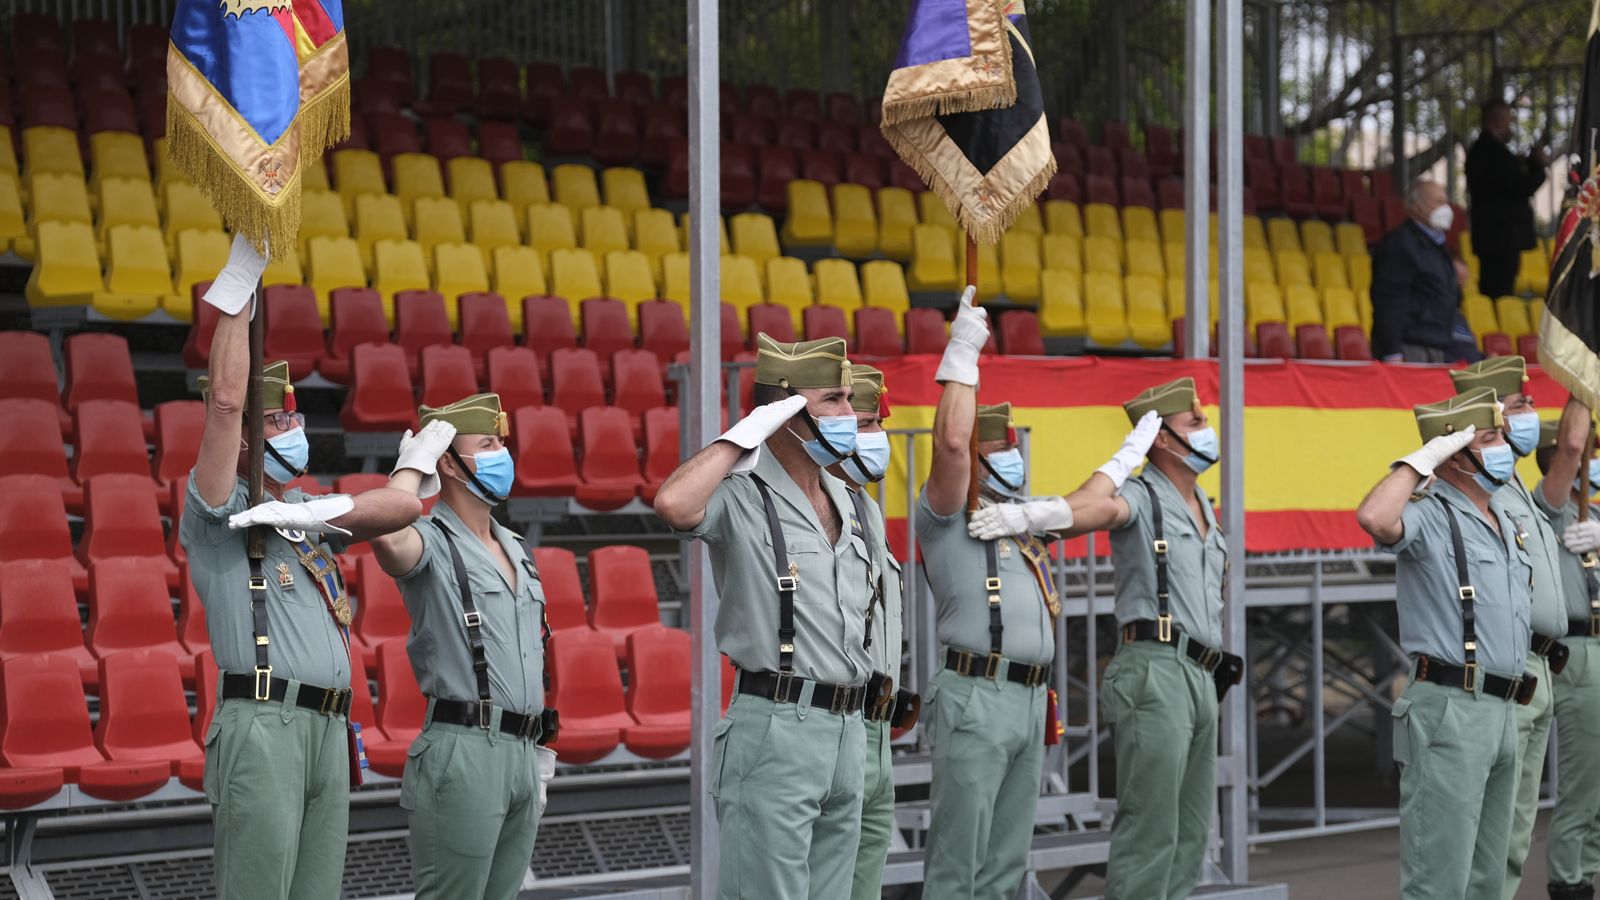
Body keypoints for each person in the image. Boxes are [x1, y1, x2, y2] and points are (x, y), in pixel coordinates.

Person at [180, 235, 425, 899]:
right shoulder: (217, 510)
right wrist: (239, 285)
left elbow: (400, 508)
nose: (290, 428)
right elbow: (227, 400)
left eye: (291, 416)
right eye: (276, 420)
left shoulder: (303, 518)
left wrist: (321, 513)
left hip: (329, 729)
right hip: (264, 726)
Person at [653, 334, 875, 900]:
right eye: (834, 400)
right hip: (778, 721)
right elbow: (675, 504)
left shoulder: (850, 499)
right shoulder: (742, 493)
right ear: (787, 409)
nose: (850, 414)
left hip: (849, 728)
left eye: (849, 399)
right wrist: (744, 434)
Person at [1035, 376, 1232, 900]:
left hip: (1201, 673)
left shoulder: (1205, 506)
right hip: (1155, 667)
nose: (1208, 430)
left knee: (1192, 831)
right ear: (1161, 439)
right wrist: (1126, 456)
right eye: (1195, 423)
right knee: (1151, 828)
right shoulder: (1140, 497)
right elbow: (1076, 512)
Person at [369, 393, 559, 900]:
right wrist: (411, 468)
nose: (502, 453)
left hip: (523, 750)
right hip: (465, 748)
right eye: (489, 443)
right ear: (448, 463)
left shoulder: (515, 546)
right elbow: (386, 539)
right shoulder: (430, 539)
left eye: (502, 442)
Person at [1355, 387, 1534, 900]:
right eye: (1491, 439)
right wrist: (1421, 459)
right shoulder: (1432, 513)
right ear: (1455, 455)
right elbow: (1375, 518)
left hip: (1502, 710)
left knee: (1489, 880)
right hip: (1452, 707)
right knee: (1440, 877)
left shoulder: (1503, 517)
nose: (1507, 449)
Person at [917, 288, 1062, 900]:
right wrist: (962, 357)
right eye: (996, 449)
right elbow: (950, 445)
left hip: (1029, 699)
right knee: (961, 863)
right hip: (977, 694)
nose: (1012, 458)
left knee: (1006, 866)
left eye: (1013, 448)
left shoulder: (1020, 525)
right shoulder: (949, 515)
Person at [1444, 360, 1580, 900]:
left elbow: (1569, 453)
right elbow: (1569, 449)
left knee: (1515, 830)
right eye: (1519, 406)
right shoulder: (1478, 489)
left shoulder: (1516, 488)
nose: (1531, 415)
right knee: (1491, 830)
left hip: (1539, 668)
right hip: (1508, 663)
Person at [829, 365, 915, 900]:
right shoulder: (811, 508)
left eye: (876, 425)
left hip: (877, 727)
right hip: (835, 725)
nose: (875, 438)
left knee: (865, 885)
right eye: (861, 424)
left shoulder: (866, 507)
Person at [1532, 411, 1600, 900]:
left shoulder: (1593, 517)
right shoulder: (1549, 508)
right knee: (1584, 779)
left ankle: (1585, 871)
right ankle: (1569, 881)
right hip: (1580, 651)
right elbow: (1571, 452)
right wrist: (1584, 392)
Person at [1372, 177, 1464, 363]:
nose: (1446, 208)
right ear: (1415, 207)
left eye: (1446, 202)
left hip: (1438, 345)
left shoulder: (1438, 246)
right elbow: (1389, 300)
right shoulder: (1400, 244)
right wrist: (1392, 352)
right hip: (1411, 347)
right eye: (1438, 202)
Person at [1466, 99, 1549, 299]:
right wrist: (1538, 167)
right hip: (1500, 238)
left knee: (1496, 288)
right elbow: (1520, 187)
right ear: (1499, 120)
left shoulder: (1484, 150)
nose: (1510, 126)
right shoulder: (1491, 151)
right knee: (1498, 292)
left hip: (1494, 236)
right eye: (1509, 120)